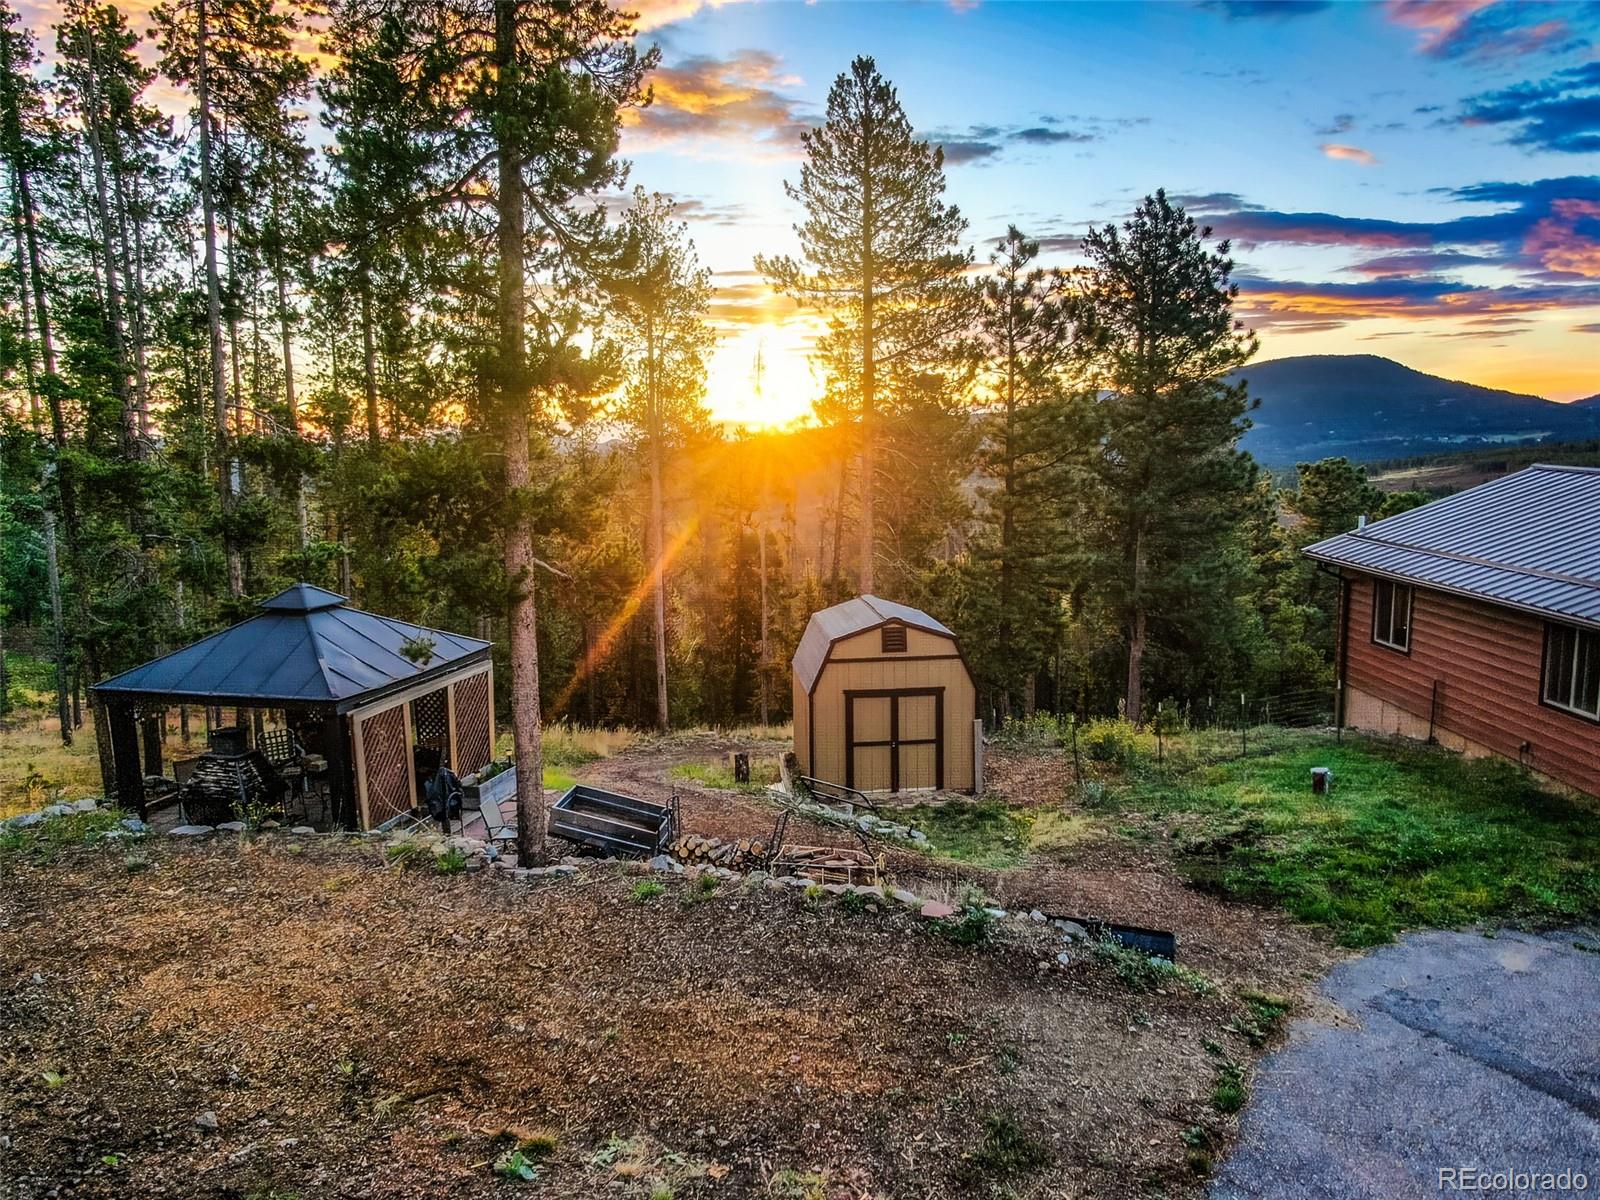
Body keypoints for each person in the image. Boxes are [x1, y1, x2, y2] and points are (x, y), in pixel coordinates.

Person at [415, 748, 462, 833]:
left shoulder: (442, 777)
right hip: (445, 802)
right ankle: (446, 829)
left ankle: (446, 829)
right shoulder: (444, 776)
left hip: (444, 802)